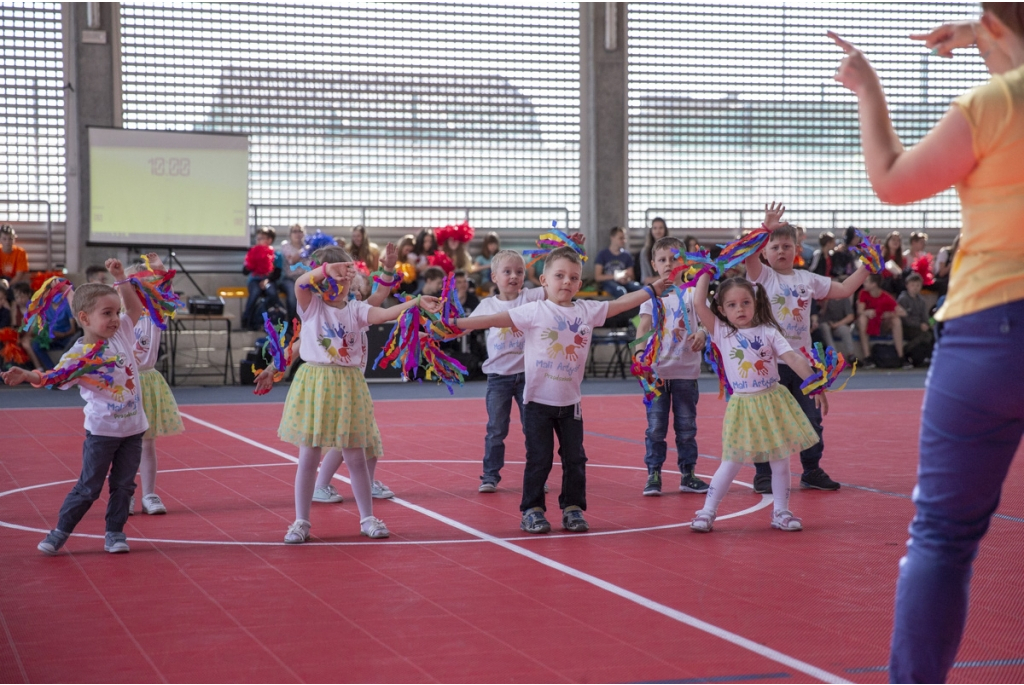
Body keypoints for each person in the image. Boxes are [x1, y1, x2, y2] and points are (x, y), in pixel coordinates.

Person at [831, 9, 1024, 679]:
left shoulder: (994, 104)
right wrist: (981, 36)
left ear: (996, 23)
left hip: (990, 334)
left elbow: (891, 178)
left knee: (942, 539)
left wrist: (868, 87)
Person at [452, 247, 665, 534]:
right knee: (538, 458)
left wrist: (650, 290)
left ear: (579, 284)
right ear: (543, 281)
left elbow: (620, 304)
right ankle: (533, 509)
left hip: (571, 403)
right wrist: (454, 323)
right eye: (560, 276)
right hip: (537, 402)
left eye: (573, 277)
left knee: (575, 459)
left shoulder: (587, 310)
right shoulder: (532, 310)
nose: (566, 281)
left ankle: (573, 508)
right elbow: (490, 320)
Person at [256, 244, 441, 544]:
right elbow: (301, 283)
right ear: (322, 278)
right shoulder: (311, 305)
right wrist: (329, 269)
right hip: (315, 383)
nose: (342, 282)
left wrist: (416, 301)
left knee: (355, 455)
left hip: (349, 385)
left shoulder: (355, 309)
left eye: (347, 276)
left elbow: (382, 312)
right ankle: (301, 521)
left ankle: (367, 518)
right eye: (335, 276)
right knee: (308, 456)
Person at [2, 259, 148, 555]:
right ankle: (60, 531)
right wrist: (27, 374)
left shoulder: (120, 334)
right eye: (107, 314)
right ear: (83, 318)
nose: (115, 319)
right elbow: (53, 375)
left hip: (133, 430)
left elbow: (135, 309)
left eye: (115, 312)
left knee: (124, 487)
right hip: (102, 434)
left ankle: (115, 533)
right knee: (88, 488)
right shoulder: (78, 355)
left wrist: (120, 277)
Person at [745, 204, 869, 494]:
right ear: (765, 252)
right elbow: (747, 254)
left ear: (797, 249)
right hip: (769, 364)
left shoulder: (807, 279)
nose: (780, 251)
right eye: (774, 247)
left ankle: (811, 470)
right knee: (768, 421)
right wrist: (766, 227)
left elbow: (845, 288)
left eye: (787, 246)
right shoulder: (762, 275)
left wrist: (867, 267)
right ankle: (763, 473)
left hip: (803, 364)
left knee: (811, 418)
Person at [689, 273, 826, 533]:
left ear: (755, 302)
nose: (739, 309)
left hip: (773, 403)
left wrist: (814, 382)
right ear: (721, 309)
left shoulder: (769, 332)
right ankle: (707, 511)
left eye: (745, 303)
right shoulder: (721, 331)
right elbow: (698, 304)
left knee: (780, 461)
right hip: (743, 406)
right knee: (730, 462)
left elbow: (794, 359)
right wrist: (706, 271)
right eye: (731, 305)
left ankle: (781, 512)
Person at [635, 236, 708, 496]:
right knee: (655, 428)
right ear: (654, 264)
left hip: (686, 374)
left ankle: (688, 474)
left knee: (687, 427)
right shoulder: (651, 297)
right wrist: (640, 353)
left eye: (674, 258)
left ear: (684, 262)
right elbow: (643, 327)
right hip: (657, 375)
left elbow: (706, 322)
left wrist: (702, 334)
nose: (669, 264)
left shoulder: (692, 294)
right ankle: (653, 473)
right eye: (662, 260)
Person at [125, 254, 184, 516]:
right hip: (124, 383)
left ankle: (149, 494)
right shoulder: (122, 317)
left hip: (147, 381)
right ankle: (124, 493)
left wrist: (158, 268)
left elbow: (165, 286)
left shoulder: (156, 314)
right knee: (124, 445)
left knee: (147, 443)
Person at [855, 274, 907, 366]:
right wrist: (867, 312)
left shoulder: (886, 296)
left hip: (881, 324)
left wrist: (889, 314)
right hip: (868, 323)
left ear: (874, 284)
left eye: (866, 281)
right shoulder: (863, 293)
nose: (864, 283)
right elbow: (860, 311)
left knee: (896, 320)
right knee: (862, 319)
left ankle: (901, 357)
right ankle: (867, 357)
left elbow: (903, 312)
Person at [242, 226, 284, 331]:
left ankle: (259, 317)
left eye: (262, 238)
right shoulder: (252, 252)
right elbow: (245, 272)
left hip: (269, 281)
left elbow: (277, 273)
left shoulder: (276, 255)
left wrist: (267, 280)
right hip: (254, 280)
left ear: (269, 240)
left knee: (272, 293)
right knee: (255, 293)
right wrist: (251, 263)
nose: (258, 240)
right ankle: (246, 319)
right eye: (258, 238)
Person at [594, 226, 642, 298]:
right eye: (621, 238)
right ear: (612, 238)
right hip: (609, 282)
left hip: (624, 282)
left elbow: (631, 276)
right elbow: (598, 277)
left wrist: (626, 279)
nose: (624, 240)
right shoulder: (602, 254)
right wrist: (616, 277)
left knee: (641, 289)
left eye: (624, 238)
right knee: (620, 291)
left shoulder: (627, 255)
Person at [897, 272, 934, 366]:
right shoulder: (903, 299)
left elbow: (925, 316)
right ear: (907, 286)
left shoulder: (921, 301)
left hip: (919, 327)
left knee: (931, 334)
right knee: (926, 336)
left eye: (918, 285)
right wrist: (919, 325)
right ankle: (907, 349)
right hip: (907, 327)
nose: (915, 287)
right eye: (912, 285)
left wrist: (927, 324)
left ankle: (925, 357)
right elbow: (904, 318)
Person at [816, 295, 859, 362]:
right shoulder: (826, 299)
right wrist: (825, 303)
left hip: (838, 324)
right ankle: (833, 355)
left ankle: (851, 355)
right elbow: (821, 314)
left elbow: (850, 316)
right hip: (826, 324)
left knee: (845, 329)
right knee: (825, 327)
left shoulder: (844, 299)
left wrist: (836, 324)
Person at [280, 223, 308, 322]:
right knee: (293, 295)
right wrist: (304, 250)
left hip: (305, 278)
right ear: (290, 234)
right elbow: (292, 260)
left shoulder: (308, 247)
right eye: (294, 231)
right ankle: (291, 324)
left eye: (300, 231)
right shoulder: (286, 245)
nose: (297, 234)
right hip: (290, 279)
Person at [639, 217, 669, 285]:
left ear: (665, 230)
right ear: (651, 231)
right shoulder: (645, 252)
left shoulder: (672, 250)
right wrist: (662, 278)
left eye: (661, 228)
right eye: (655, 228)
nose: (658, 231)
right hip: (652, 287)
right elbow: (645, 279)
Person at [882, 231, 907, 295]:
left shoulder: (902, 258)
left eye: (898, 240)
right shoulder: (882, 256)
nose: (896, 242)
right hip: (884, 281)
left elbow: (902, 271)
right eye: (893, 239)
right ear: (888, 242)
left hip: (897, 282)